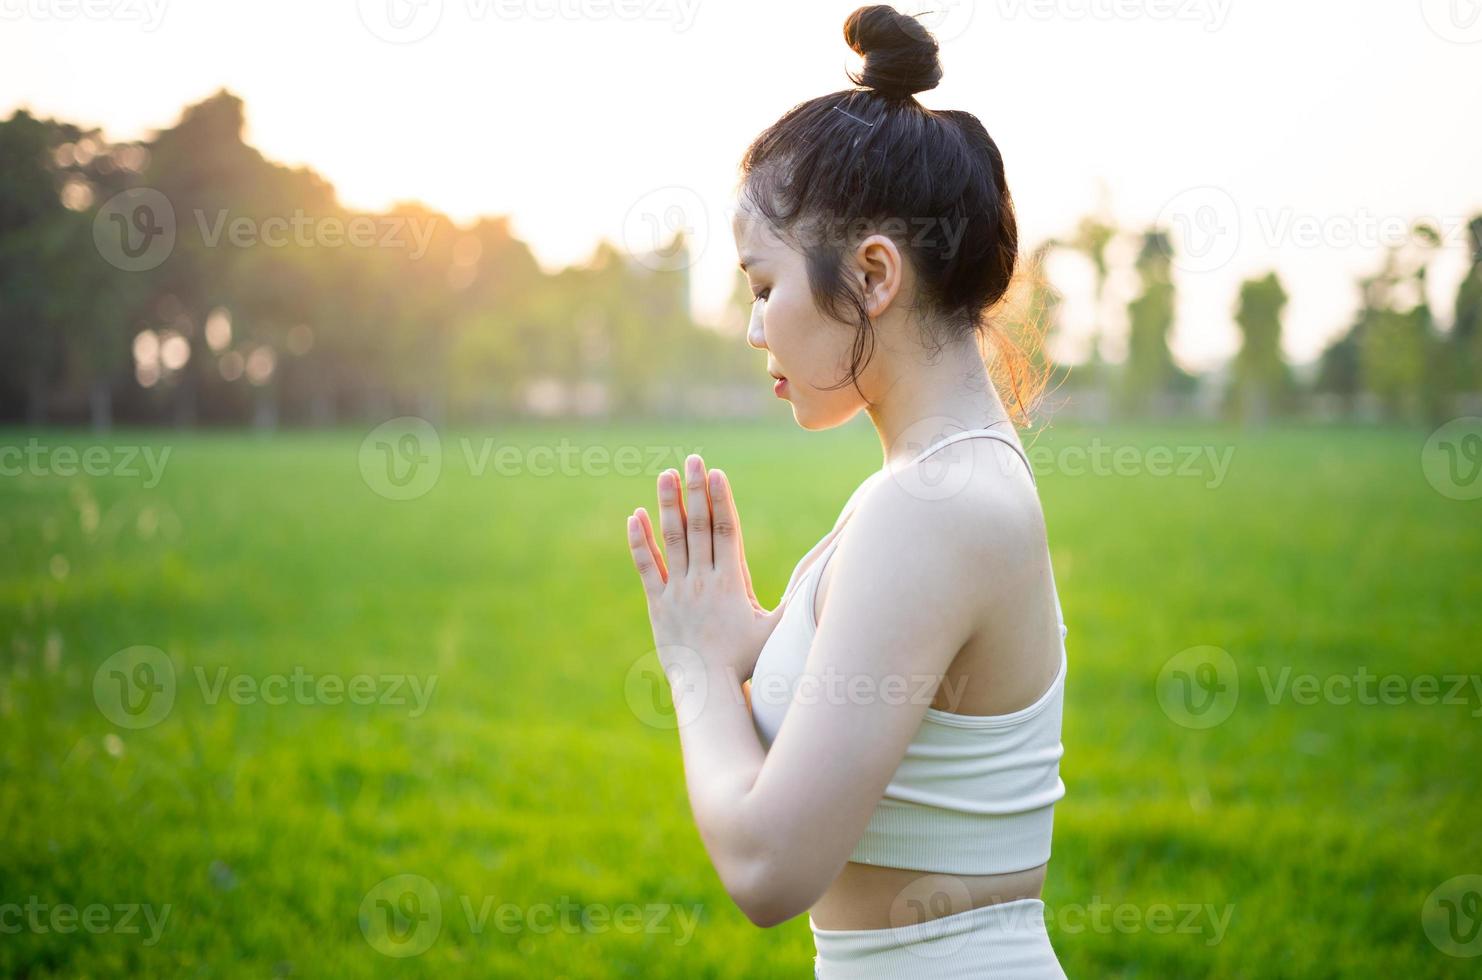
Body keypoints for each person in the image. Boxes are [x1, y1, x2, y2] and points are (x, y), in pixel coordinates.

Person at [625, 6, 1069, 975]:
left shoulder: (933, 504)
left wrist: (698, 666)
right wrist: (754, 637)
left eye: (763, 284)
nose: (754, 329)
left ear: (872, 273)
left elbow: (768, 862)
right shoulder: (932, 483)